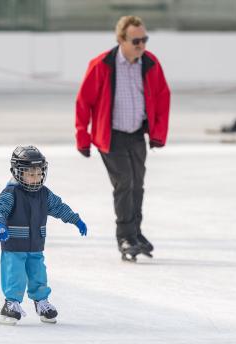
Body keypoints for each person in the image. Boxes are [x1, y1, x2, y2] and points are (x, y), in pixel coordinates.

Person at [75, 15, 170, 262]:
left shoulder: (149, 63)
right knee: (124, 183)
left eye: (144, 39)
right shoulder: (102, 65)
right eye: (136, 40)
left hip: (137, 134)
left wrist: (158, 133)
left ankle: (135, 233)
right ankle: (125, 237)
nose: (141, 45)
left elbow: (162, 98)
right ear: (121, 40)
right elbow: (84, 102)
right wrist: (82, 137)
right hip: (111, 136)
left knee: (137, 185)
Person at [0, 145, 87, 325]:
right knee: (15, 275)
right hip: (14, 246)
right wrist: (0, 226)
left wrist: (75, 219)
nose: (36, 178)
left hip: (35, 245)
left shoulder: (44, 194)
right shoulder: (11, 193)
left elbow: (59, 208)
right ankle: (11, 304)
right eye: (30, 174)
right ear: (18, 172)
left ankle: (41, 301)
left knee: (38, 275)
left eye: (39, 173)